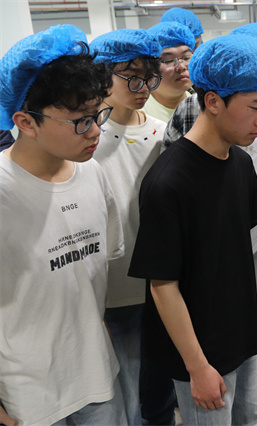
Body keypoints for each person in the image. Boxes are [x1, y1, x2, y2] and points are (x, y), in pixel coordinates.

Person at [127, 34, 257, 425]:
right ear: (213, 101)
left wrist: (253, 309)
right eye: (255, 107)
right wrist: (197, 367)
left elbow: (238, 249)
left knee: (251, 417)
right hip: (200, 350)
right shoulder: (168, 182)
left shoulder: (239, 163)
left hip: (241, 334)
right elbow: (162, 286)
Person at [0, 24, 125, 425]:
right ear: (26, 121)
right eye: (80, 121)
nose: (96, 131)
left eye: (98, 115)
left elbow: (90, 274)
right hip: (27, 397)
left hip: (96, 379)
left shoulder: (92, 174)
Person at [89, 28, 166, 425]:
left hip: (162, 282)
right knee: (126, 391)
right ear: (103, 75)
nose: (143, 88)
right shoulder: (87, 140)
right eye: (131, 77)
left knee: (160, 385)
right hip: (114, 288)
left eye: (149, 78)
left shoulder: (161, 132)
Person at [143, 22, 195, 123]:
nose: (181, 67)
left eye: (186, 57)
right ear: (150, 67)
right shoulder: (139, 113)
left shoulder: (201, 105)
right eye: (168, 60)